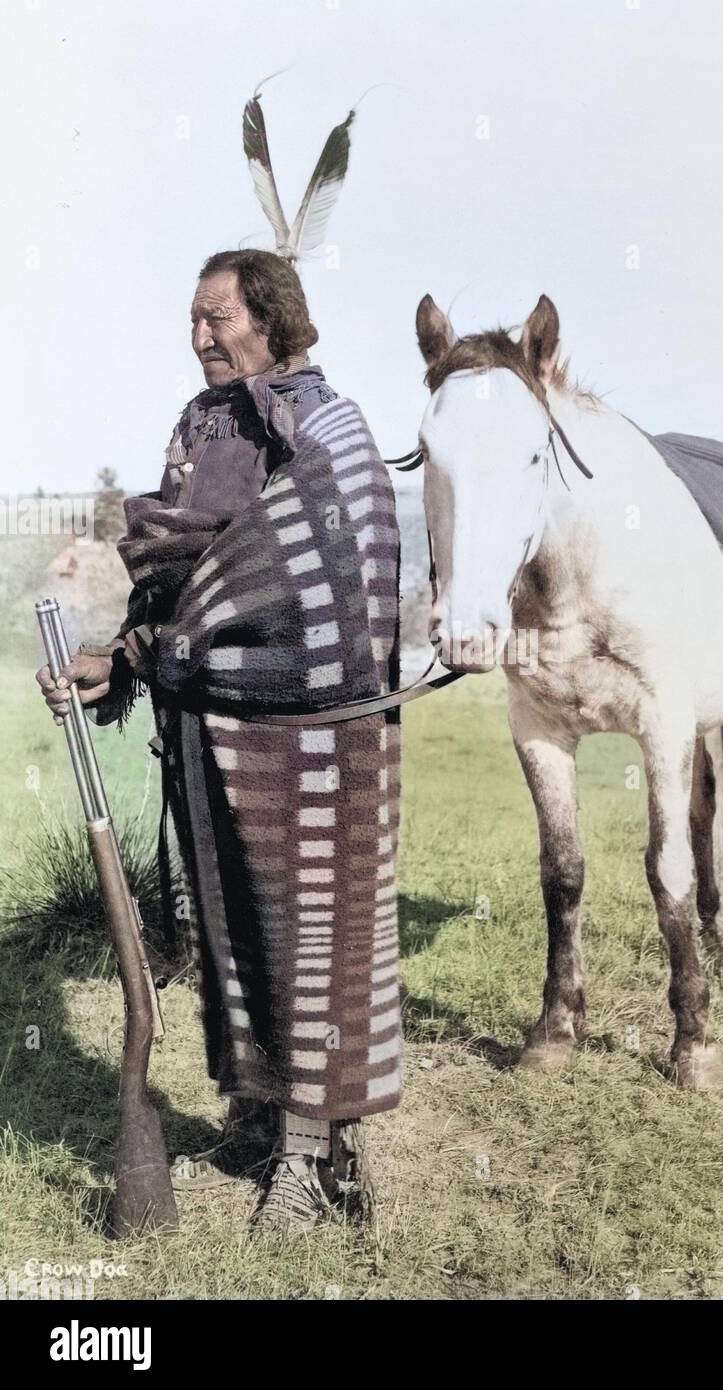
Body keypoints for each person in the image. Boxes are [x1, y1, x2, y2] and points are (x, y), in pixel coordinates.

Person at [36, 249, 402, 1231]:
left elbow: (331, 563)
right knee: (230, 936)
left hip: (316, 734)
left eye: (217, 317)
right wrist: (120, 656)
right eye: (192, 320)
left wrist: (199, 609)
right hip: (211, 729)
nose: (199, 336)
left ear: (270, 317)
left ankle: (313, 1162)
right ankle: (252, 1120)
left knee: (311, 944)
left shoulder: (327, 425)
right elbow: (174, 581)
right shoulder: (198, 430)